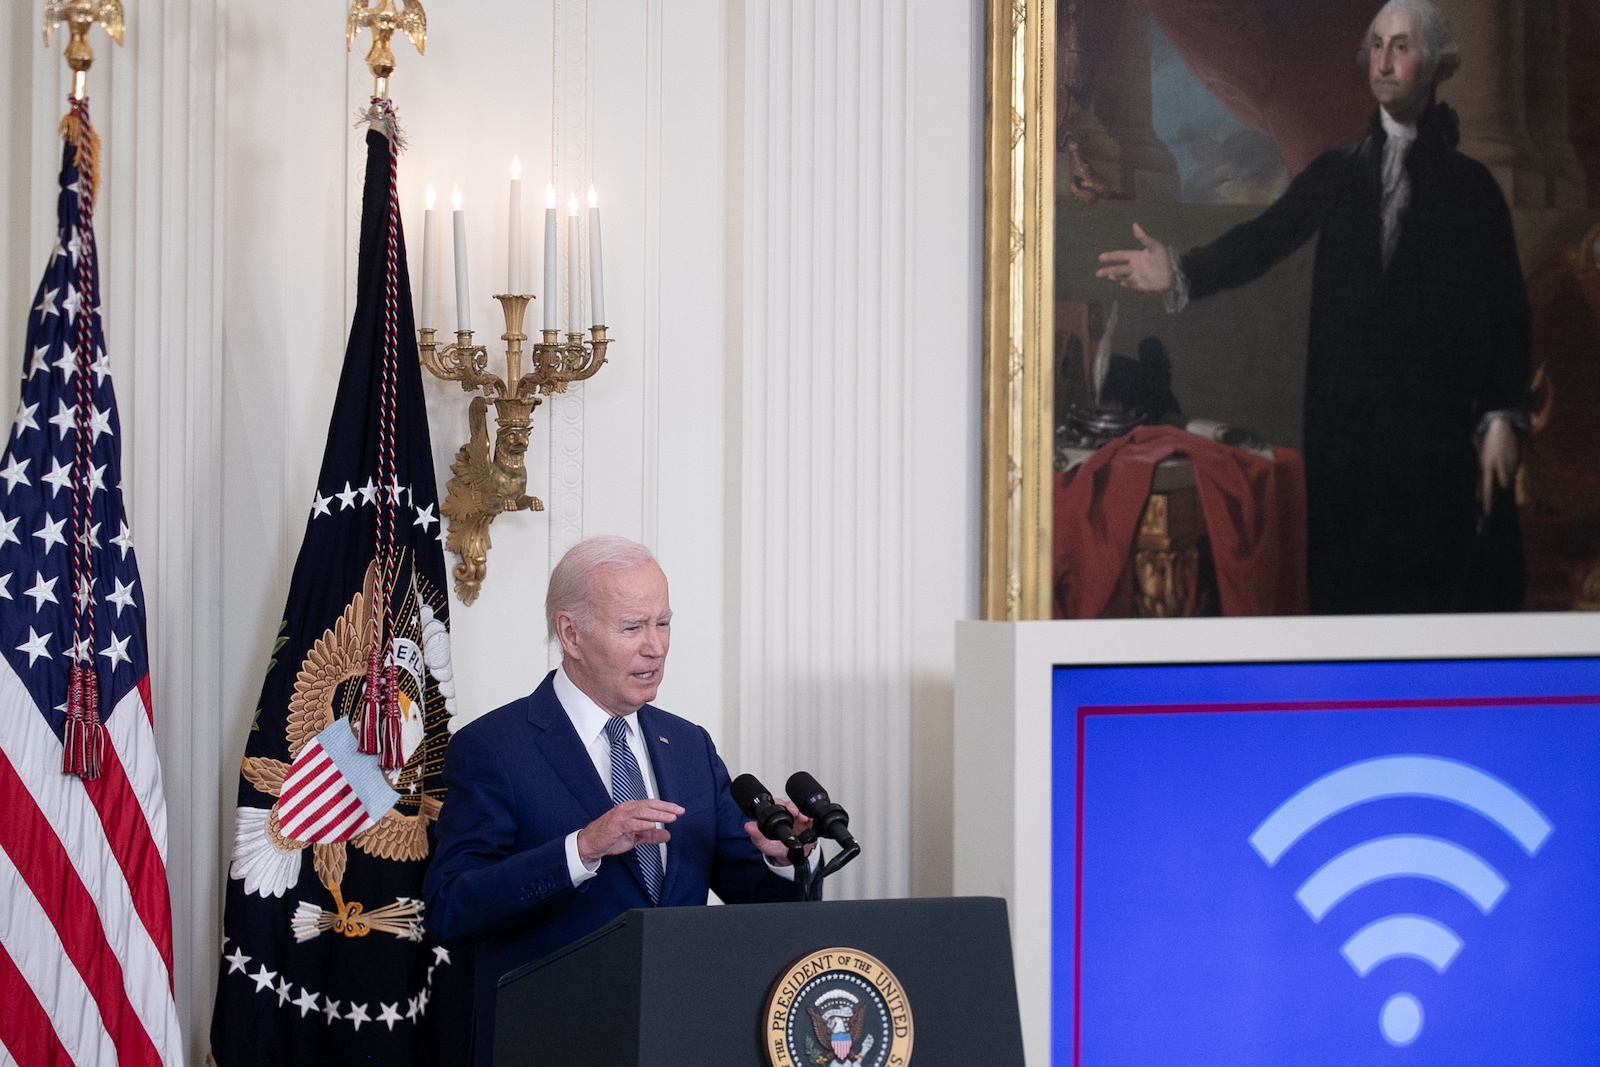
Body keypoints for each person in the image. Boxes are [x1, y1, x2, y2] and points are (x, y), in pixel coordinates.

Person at [1095, 0, 1529, 614]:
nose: (1383, 61)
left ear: (1436, 64)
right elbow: (1261, 241)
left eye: (1401, 46)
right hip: (1349, 437)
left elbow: (1504, 316)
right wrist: (1181, 268)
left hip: (1438, 438)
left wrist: (1500, 421)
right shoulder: (1337, 174)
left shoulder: (1473, 190)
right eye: (1376, 45)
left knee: (1439, 602)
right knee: (1353, 602)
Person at [423, 535, 812, 1062]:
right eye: (632, 627)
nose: (655, 646)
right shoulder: (494, 747)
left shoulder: (689, 745)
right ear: (571, 633)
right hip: (552, 1041)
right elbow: (451, 909)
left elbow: (754, 898)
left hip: (679, 1038)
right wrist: (580, 849)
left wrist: (783, 859)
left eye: (663, 623)